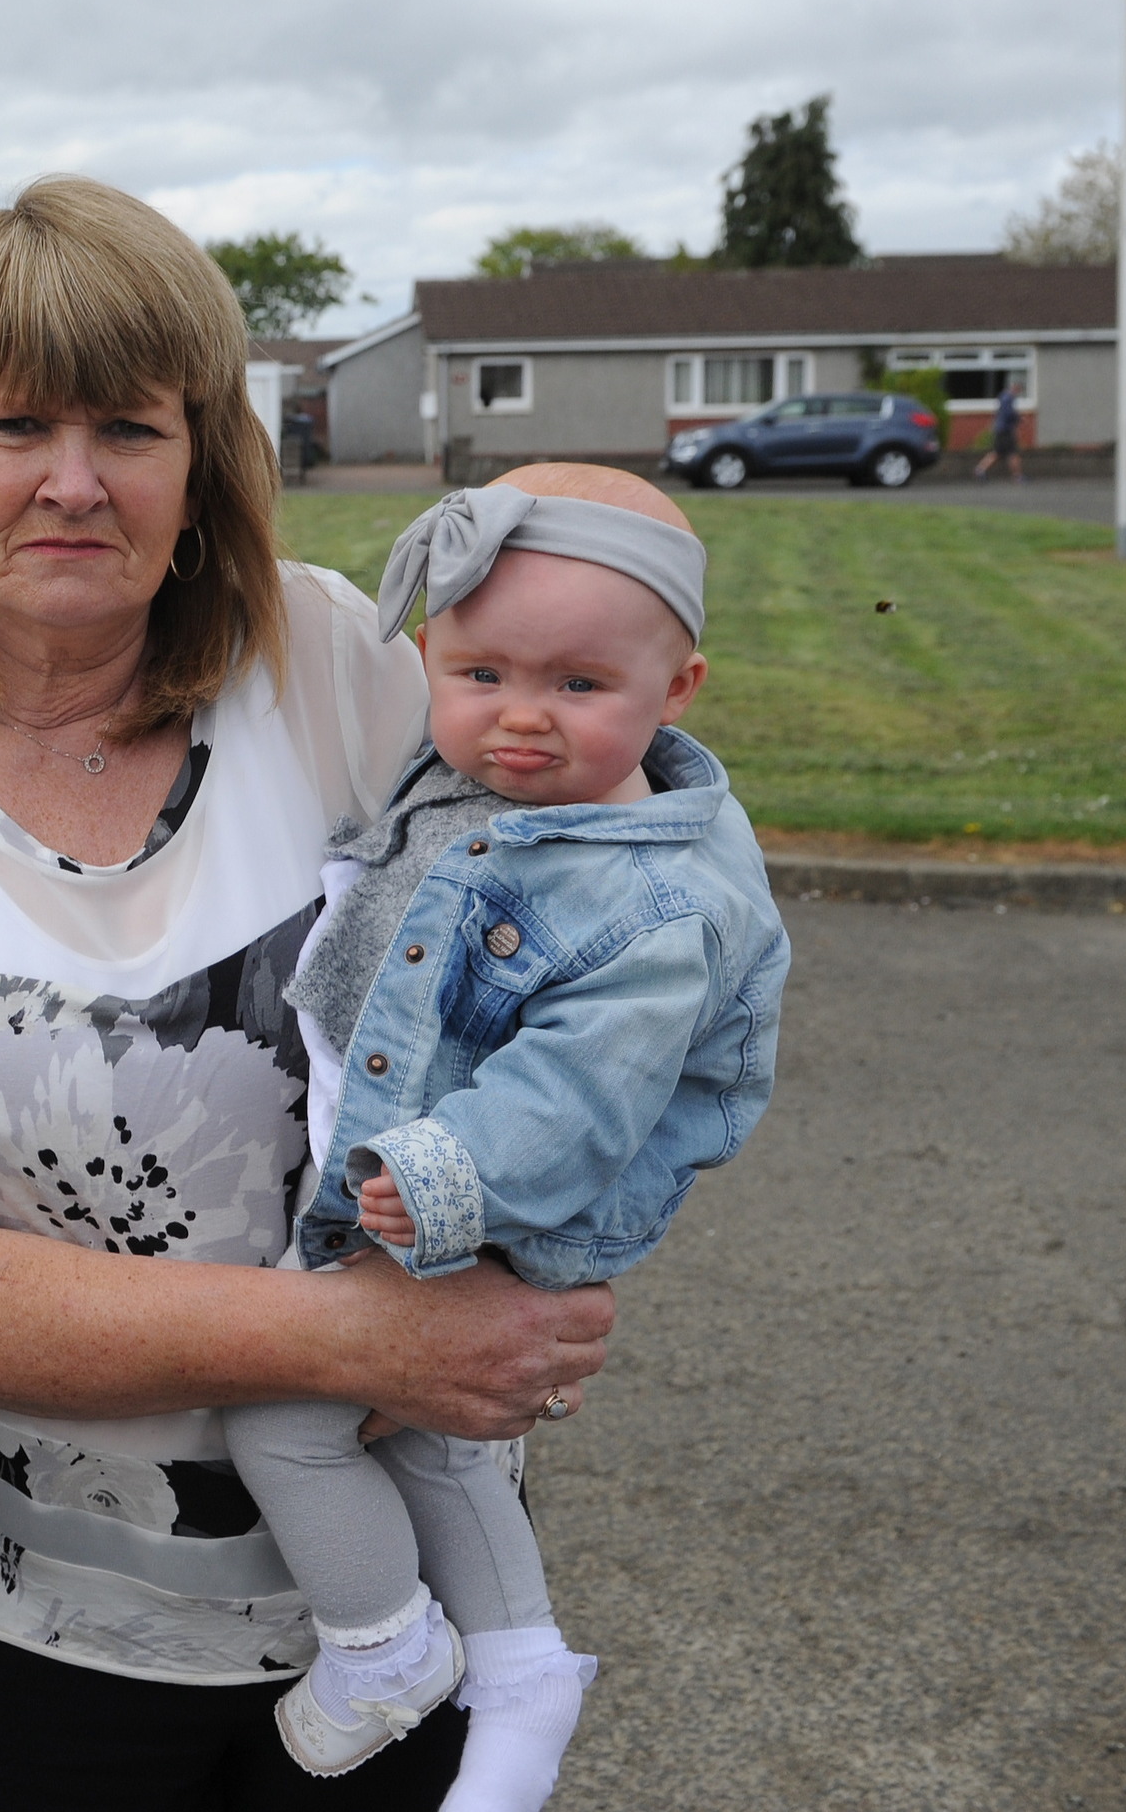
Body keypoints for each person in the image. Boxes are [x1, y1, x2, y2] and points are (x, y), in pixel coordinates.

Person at [0, 177, 620, 1812]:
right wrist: (359, 1336)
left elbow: (569, 971)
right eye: (16, 426)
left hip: (409, 1603)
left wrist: (546, 1263)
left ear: (201, 465)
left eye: (131, 429)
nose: (74, 482)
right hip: (36, 1654)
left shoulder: (331, 664)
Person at [221, 468, 788, 1811]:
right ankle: (525, 1670)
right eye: (479, 672)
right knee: (435, 1439)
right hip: (456, 1183)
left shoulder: (652, 899)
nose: (521, 717)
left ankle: (384, 1646)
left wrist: (434, 1179)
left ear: (677, 690)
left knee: (282, 1415)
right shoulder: (485, 777)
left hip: (487, 1191)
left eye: (579, 686)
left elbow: (576, 1098)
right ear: (428, 658)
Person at [972, 382, 1023, 480]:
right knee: (1012, 453)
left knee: (997, 452)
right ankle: (1018, 476)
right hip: (1005, 430)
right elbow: (1008, 414)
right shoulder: (1007, 398)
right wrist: (1018, 418)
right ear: (1015, 388)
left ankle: (980, 469)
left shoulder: (1004, 397)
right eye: (1018, 390)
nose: (1018, 393)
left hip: (1001, 429)